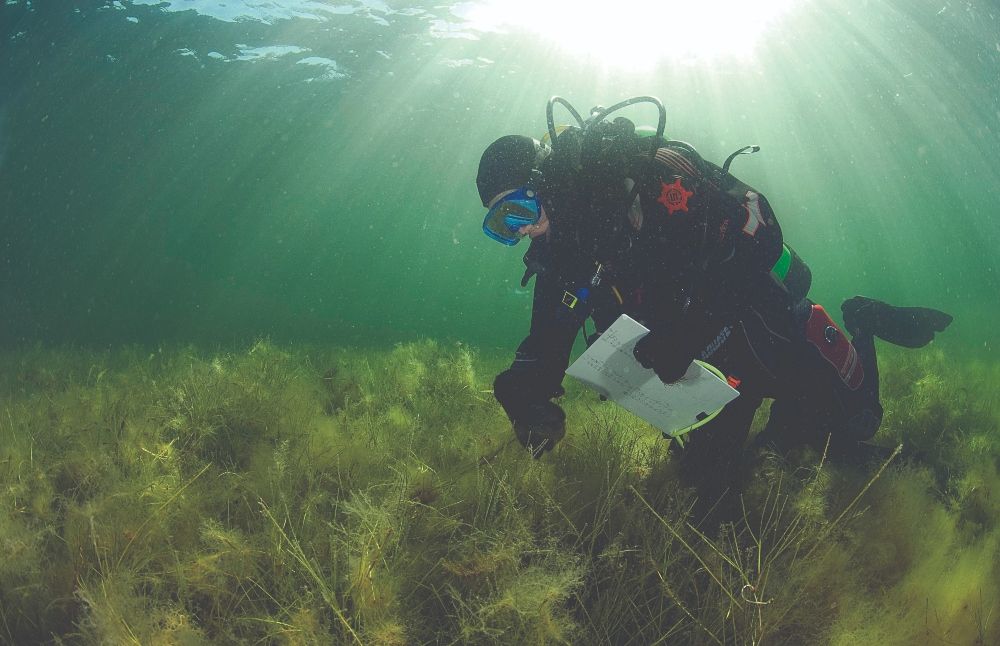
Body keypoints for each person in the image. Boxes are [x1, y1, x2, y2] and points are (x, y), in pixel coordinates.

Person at [476, 96, 953, 495]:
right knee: (708, 484)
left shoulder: (646, 176)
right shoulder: (562, 253)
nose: (522, 231)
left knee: (855, 432)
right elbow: (546, 337)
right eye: (502, 226)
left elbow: (759, 227)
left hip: (764, 329)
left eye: (519, 210)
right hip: (705, 378)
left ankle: (865, 320)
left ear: (546, 182)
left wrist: (690, 328)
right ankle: (770, 431)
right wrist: (523, 392)